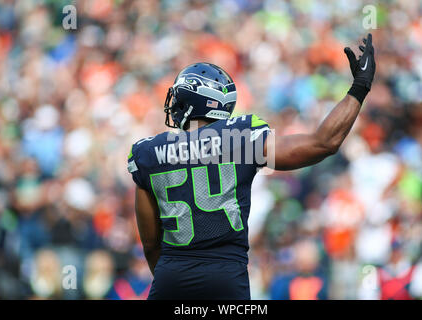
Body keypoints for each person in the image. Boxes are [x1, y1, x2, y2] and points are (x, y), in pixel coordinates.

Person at [127, 34, 376, 300]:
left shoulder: (148, 152)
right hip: (226, 278)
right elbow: (323, 143)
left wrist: (175, 278)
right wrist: (359, 87)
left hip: (171, 277)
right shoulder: (240, 138)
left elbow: (151, 243)